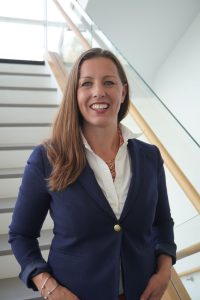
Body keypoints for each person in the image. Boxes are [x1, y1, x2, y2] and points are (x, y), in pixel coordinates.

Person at [9, 48, 176, 300]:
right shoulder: (47, 158)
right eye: (86, 83)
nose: (99, 91)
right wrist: (48, 287)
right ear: (75, 94)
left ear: (123, 90)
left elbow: (162, 223)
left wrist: (164, 272)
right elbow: (21, 235)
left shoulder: (149, 156)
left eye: (109, 82)